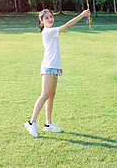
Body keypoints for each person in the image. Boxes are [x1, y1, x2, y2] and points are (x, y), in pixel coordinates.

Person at [24, 9, 91, 138]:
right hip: (48, 67)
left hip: (53, 67)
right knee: (45, 95)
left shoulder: (51, 32)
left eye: (51, 17)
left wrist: (58, 67)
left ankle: (48, 124)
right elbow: (67, 26)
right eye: (47, 18)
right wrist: (82, 15)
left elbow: (54, 51)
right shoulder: (48, 31)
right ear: (41, 21)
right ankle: (31, 122)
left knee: (51, 95)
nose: (50, 19)